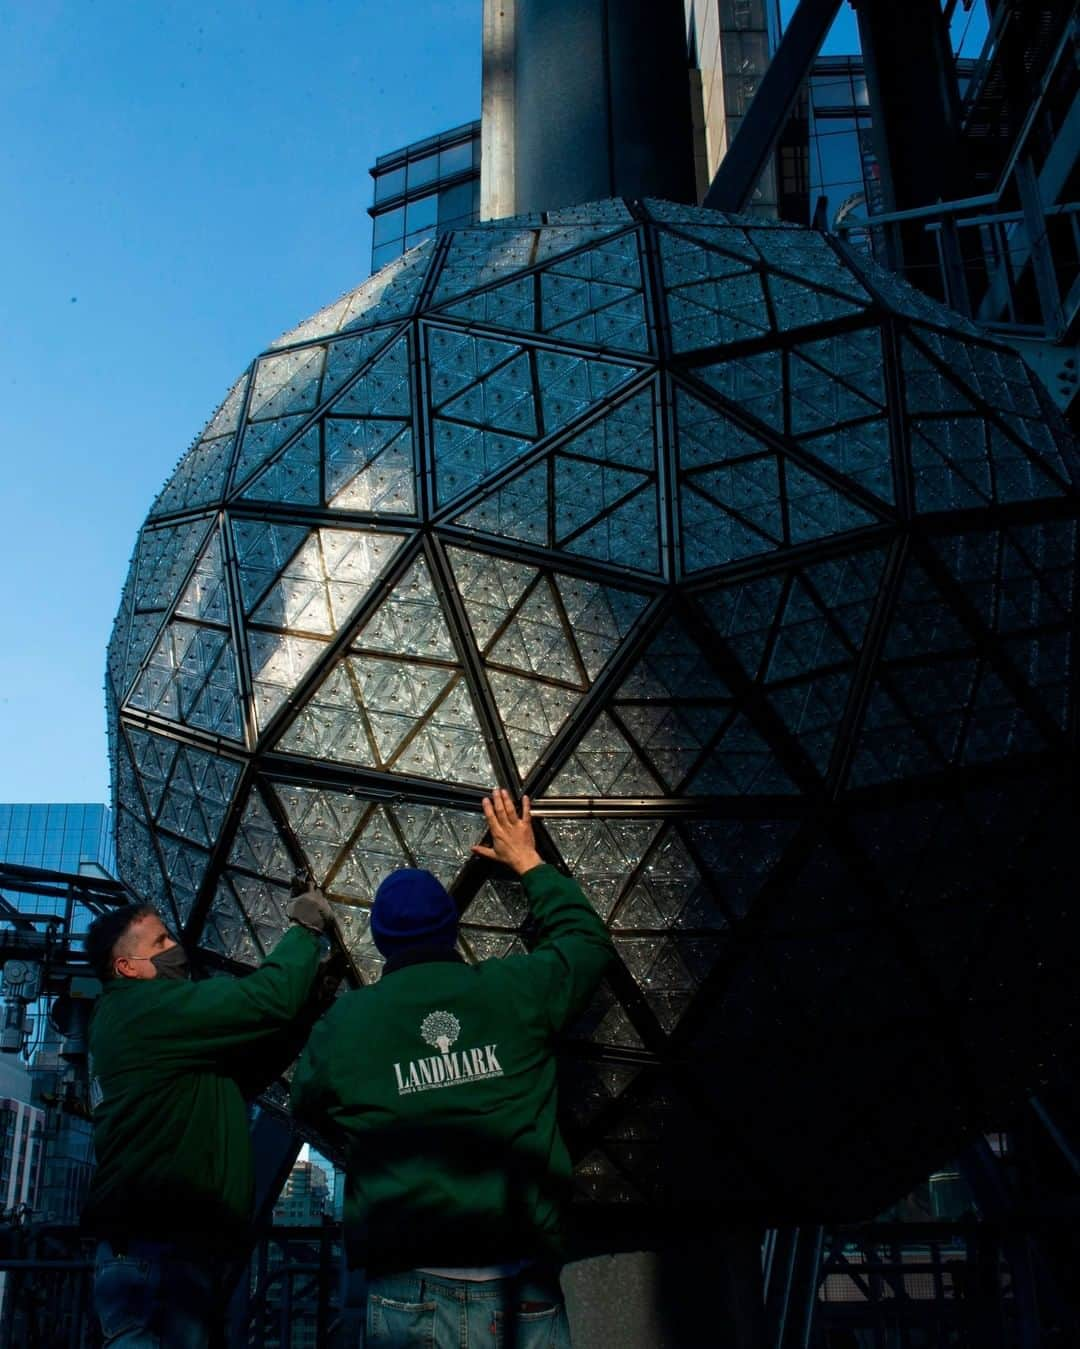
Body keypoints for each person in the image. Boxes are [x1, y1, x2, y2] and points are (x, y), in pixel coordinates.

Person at [291, 788, 614, 1349]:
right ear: (450, 925)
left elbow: (304, 1107)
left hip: (405, 1289)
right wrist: (528, 863)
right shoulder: (514, 991)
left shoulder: (345, 1025)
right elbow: (586, 942)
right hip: (522, 1283)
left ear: (382, 940)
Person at [83, 883, 336, 1348]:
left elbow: (239, 1076)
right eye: (159, 943)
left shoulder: (154, 1029)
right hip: (156, 1255)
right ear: (126, 967)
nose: (174, 948)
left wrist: (308, 1007)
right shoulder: (141, 1009)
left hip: (170, 1254)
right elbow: (263, 1000)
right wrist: (303, 930)